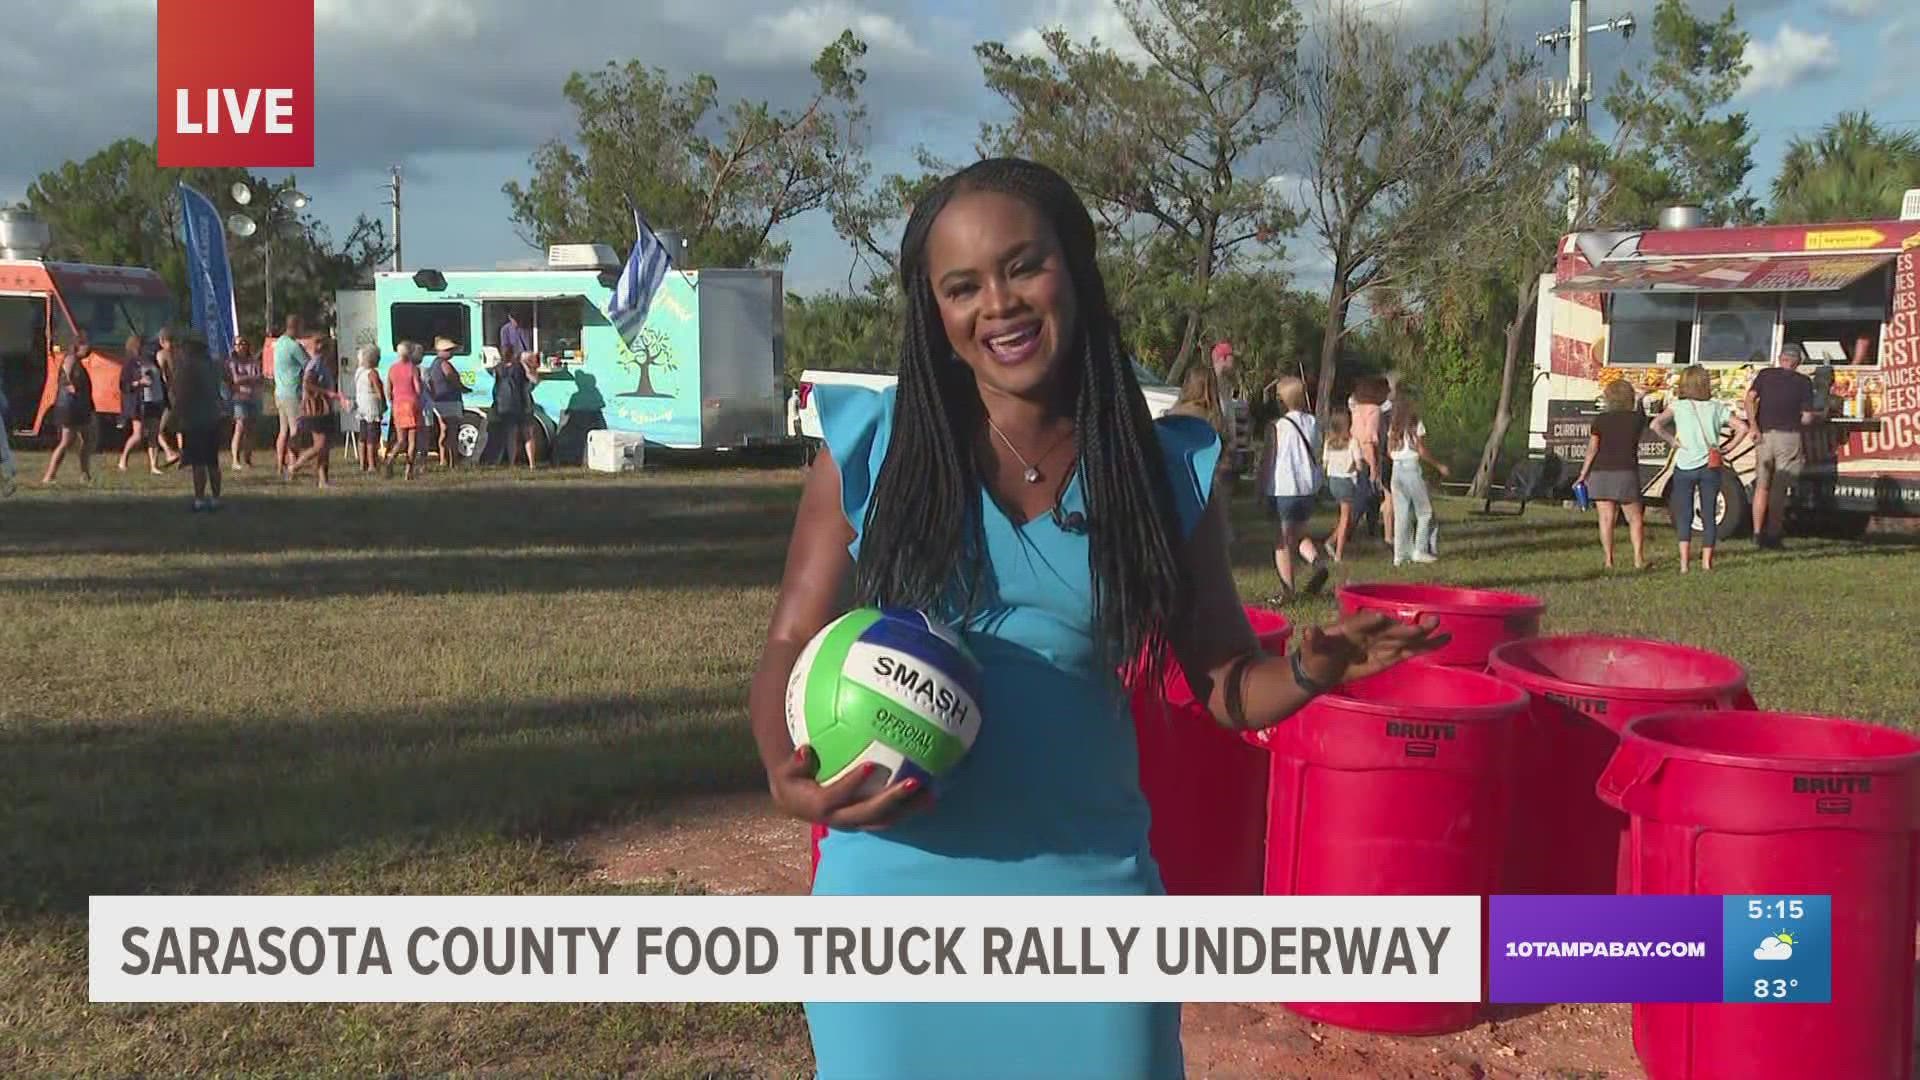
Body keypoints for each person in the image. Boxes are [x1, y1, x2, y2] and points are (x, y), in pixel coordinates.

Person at [748, 157, 1447, 1080]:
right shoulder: (872, 448)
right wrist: (782, 771)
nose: (997, 303)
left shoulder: (1158, 468)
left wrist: (1314, 668)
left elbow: (1227, 686)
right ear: (935, 312)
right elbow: (792, 644)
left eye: (1022, 266)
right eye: (962, 287)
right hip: (890, 910)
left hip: (1088, 904)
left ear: (1073, 267)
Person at [1652, 365, 1750, 573]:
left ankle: (1684, 564)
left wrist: (1673, 441)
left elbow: (1656, 425)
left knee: (1684, 513)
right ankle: (1707, 562)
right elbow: (1742, 428)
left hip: (1684, 464)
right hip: (1710, 465)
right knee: (1709, 513)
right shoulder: (1717, 407)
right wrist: (1727, 448)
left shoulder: (1678, 406)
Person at [1744, 341, 1819, 549]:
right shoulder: (1804, 382)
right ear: (1798, 363)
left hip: (1764, 435)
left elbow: (1749, 399)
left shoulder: (1765, 375)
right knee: (1779, 488)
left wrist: (1753, 426)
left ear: (1780, 359)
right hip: (1789, 438)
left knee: (1761, 486)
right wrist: (1819, 415)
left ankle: (1757, 533)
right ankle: (1774, 534)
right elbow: (1806, 419)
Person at [1574, 379, 1651, 570]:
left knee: (1606, 519)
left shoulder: (1601, 420)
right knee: (1635, 518)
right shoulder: (1635, 420)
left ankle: (1608, 560)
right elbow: (1642, 415)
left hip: (1600, 473)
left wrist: (1583, 474)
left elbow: (1592, 449)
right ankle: (1638, 559)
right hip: (1626, 472)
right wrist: (1641, 399)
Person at [1262, 375, 1328, 600]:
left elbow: (1269, 459)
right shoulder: (1312, 423)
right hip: (1307, 488)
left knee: (1282, 541)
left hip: (1283, 487)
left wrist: (1260, 485)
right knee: (1299, 533)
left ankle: (1287, 590)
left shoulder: (1277, 427)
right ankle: (1317, 563)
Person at [1386, 392, 1449, 566]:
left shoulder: (1393, 427)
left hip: (1396, 470)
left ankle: (1400, 554)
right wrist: (1438, 466)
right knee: (1424, 511)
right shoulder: (1416, 424)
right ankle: (1419, 550)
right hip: (1411, 469)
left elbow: (1388, 452)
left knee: (1401, 514)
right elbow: (1421, 450)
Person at [168, 330, 226, 512]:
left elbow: (183, 394)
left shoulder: (189, 367)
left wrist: (175, 415)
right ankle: (216, 499)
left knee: (198, 462)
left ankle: (199, 499)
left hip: (195, 418)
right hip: (213, 416)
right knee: (212, 462)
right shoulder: (213, 365)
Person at [42, 339, 96, 485]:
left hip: (80, 406)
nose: (89, 349)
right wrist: (71, 385)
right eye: (86, 346)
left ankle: (85, 475)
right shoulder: (70, 358)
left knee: (87, 439)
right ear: (78, 346)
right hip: (70, 406)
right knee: (66, 441)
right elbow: (68, 373)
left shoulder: (79, 362)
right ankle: (49, 475)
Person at [1320, 406, 1359, 564]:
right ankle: (1338, 553)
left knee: (1347, 516)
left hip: (1333, 480)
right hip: (1346, 480)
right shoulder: (1352, 442)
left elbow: (1324, 463)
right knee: (1345, 518)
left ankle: (1331, 541)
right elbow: (1358, 463)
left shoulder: (1329, 443)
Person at [271, 314, 308, 476]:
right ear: (295, 326)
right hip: (293, 392)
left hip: (279, 391)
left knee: (283, 430)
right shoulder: (294, 346)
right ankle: (293, 465)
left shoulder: (278, 343)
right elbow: (309, 364)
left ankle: (280, 465)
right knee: (295, 430)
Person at [385, 341, 427, 480]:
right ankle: (408, 471)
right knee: (412, 440)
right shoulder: (413, 368)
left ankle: (391, 458)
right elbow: (418, 389)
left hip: (398, 404)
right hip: (412, 404)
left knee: (400, 439)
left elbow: (388, 389)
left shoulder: (392, 368)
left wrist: (392, 400)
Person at [425, 337, 468, 469]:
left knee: (444, 430)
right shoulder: (445, 364)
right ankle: (453, 460)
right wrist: (462, 387)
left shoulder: (433, 364)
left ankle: (443, 458)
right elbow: (452, 378)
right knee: (452, 431)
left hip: (438, 400)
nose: (452, 352)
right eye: (449, 350)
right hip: (449, 400)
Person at [226, 334, 263, 469]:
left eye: (243, 343)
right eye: (237, 344)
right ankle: (235, 460)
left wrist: (246, 378)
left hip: (254, 397)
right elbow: (235, 379)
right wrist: (250, 378)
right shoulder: (231, 362)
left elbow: (260, 377)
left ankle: (248, 458)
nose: (240, 346)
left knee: (251, 430)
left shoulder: (253, 361)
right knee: (240, 427)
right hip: (239, 398)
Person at [352, 345, 387, 474]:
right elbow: (378, 391)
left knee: (363, 435)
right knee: (373, 436)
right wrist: (383, 404)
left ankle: (362, 463)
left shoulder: (359, 371)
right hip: (372, 406)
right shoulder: (372, 373)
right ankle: (372, 464)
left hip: (361, 405)